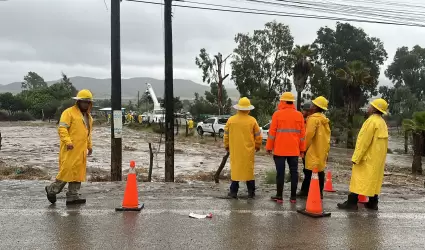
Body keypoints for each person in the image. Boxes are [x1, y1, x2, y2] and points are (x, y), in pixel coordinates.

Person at [337, 98, 389, 211]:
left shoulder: (371, 122)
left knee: (358, 180)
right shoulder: (382, 123)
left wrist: (356, 157)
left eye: (370, 106)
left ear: (375, 109)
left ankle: (351, 203)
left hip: (366, 158)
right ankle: (373, 203)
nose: (368, 108)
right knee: (373, 181)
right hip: (377, 160)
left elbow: (363, 142)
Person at [45, 89, 94, 205]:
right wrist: (68, 142)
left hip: (81, 151)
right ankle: (51, 190)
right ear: (78, 102)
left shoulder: (89, 118)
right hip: (70, 149)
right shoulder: (69, 113)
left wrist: (89, 146)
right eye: (83, 101)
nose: (85, 104)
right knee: (67, 172)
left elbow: (87, 134)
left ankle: (73, 196)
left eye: (87, 102)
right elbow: (62, 128)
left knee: (78, 173)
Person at [266, 92, 306, 203]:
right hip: (294, 150)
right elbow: (302, 135)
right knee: (294, 173)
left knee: (280, 173)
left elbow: (272, 133)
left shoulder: (277, 114)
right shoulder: (299, 115)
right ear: (292, 102)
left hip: (279, 150)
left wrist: (269, 147)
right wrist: (302, 149)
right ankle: (293, 197)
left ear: (283, 102)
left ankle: (279, 196)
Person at [224, 97, 262, 199]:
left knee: (236, 170)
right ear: (248, 109)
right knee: (248, 171)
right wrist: (258, 146)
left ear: (238, 108)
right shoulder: (252, 120)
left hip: (235, 150)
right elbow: (258, 135)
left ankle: (233, 192)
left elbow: (226, 135)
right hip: (248, 151)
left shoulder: (231, 120)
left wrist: (227, 146)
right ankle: (251, 192)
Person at [298, 96, 331, 198]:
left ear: (316, 107)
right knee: (320, 171)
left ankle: (305, 191)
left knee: (308, 171)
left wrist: (303, 148)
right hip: (322, 151)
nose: (310, 106)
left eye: (313, 105)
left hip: (312, 150)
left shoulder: (313, 119)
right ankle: (319, 193)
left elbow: (308, 136)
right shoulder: (324, 120)